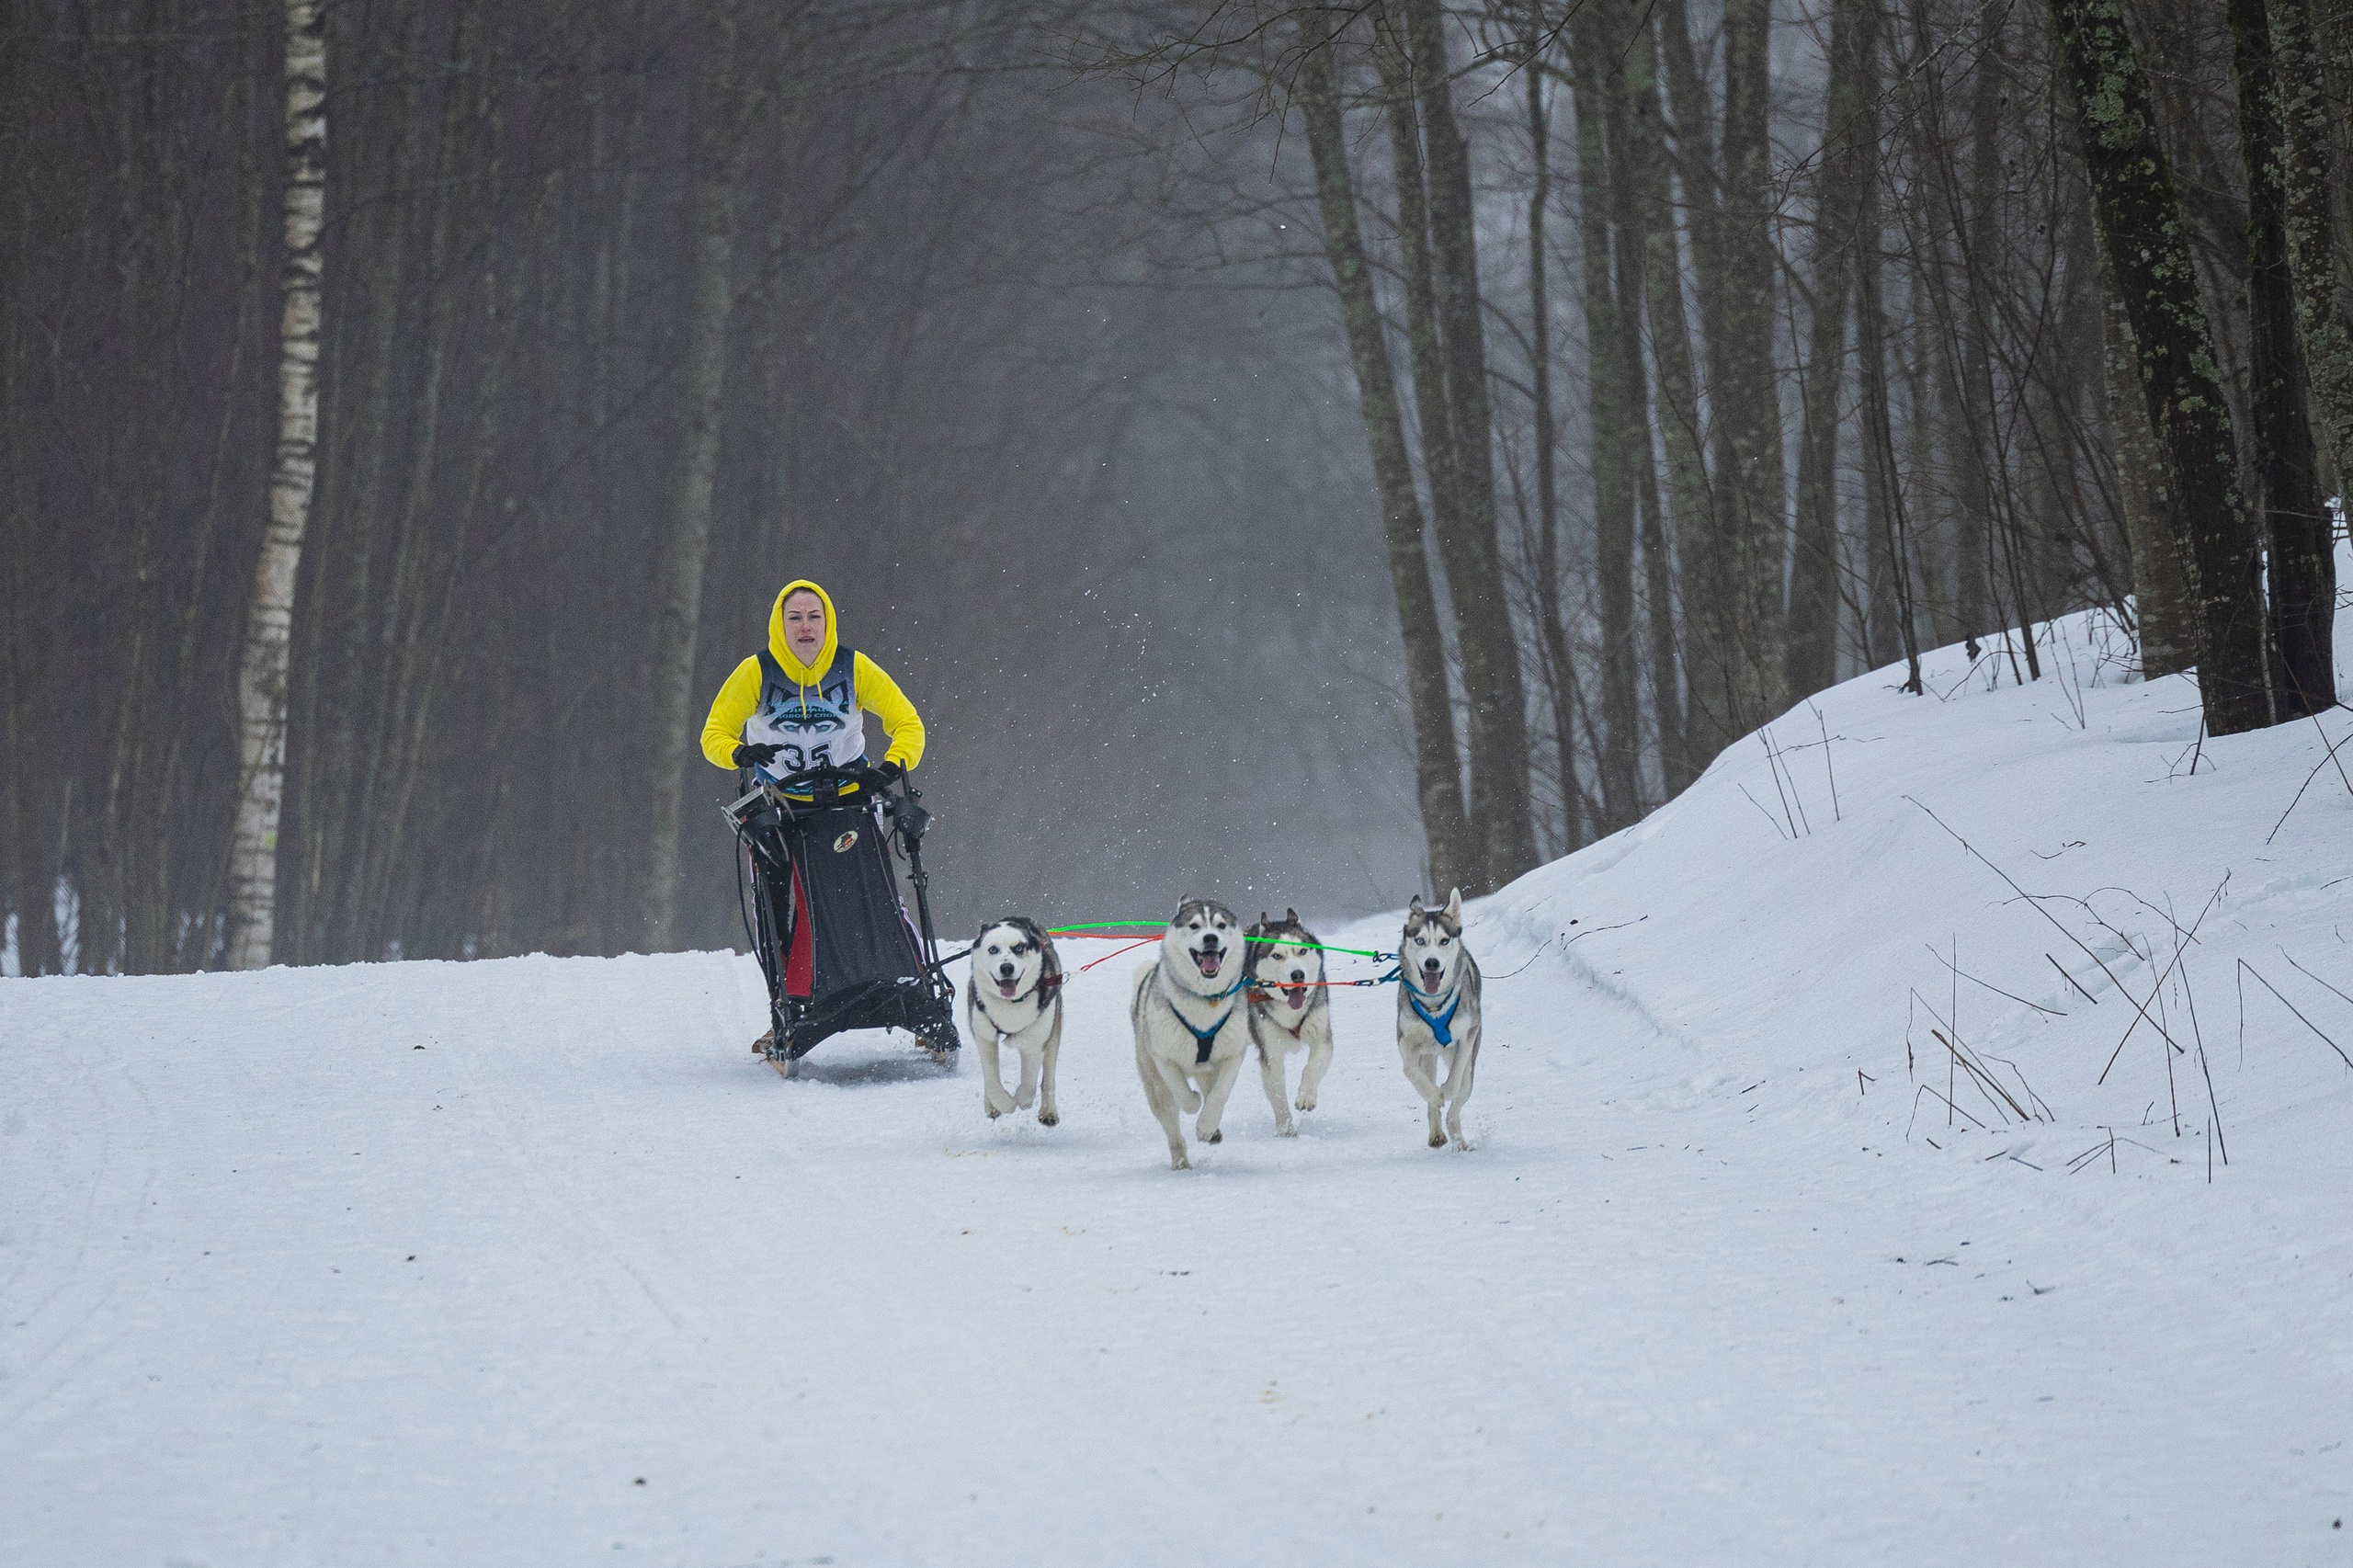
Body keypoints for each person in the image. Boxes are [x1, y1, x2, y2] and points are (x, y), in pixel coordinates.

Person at [699, 579, 925, 794]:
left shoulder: (855, 668)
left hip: (850, 795)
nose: (805, 627)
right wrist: (739, 753)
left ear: (827, 622)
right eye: (795, 618)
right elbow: (714, 734)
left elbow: (908, 724)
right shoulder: (756, 672)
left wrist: (891, 768)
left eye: (814, 617)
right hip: (776, 799)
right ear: (780, 624)